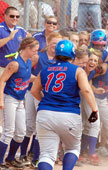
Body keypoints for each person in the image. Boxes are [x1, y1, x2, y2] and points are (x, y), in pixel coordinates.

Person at [31, 40, 98, 170]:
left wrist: (46, 101)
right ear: (72, 54)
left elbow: (34, 91)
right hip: (69, 114)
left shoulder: (45, 70)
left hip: (45, 114)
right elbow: (86, 90)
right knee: (72, 148)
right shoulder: (77, 70)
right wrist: (94, 109)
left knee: (47, 155)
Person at [19, 32, 62, 168]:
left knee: (40, 126)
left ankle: (36, 158)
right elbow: (26, 71)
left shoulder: (60, 59)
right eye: (54, 42)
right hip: (32, 91)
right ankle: (22, 155)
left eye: (58, 43)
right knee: (29, 125)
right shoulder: (39, 57)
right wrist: (37, 79)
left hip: (47, 94)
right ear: (48, 43)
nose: (56, 46)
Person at [0, 37, 39, 170]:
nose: (36, 53)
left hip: (19, 100)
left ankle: (10, 159)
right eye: (34, 50)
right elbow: (2, 80)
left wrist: (41, 79)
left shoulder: (28, 62)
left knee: (20, 133)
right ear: (27, 48)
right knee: (8, 131)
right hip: (9, 98)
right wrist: (1, 100)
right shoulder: (15, 64)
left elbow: (27, 78)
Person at [0, 6, 28, 72]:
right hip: (2, 68)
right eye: (12, 16)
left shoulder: (21, 30)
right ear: (5, 16)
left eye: (17, 16)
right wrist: (9, 38)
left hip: (17, 67)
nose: (15, 18)